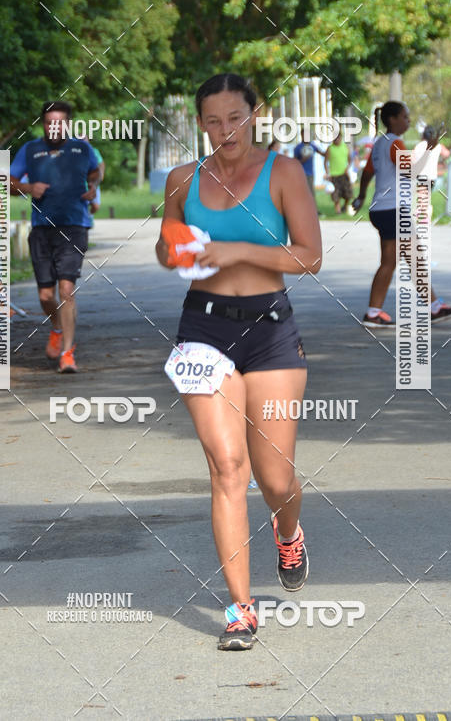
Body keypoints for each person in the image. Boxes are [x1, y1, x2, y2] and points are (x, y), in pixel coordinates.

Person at [156, 73, 322, 651]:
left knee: (275, 475)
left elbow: (310, 257)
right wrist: (177, 246)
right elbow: (165, 245)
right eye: (212, 120)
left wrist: (237, 249)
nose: (225, 131)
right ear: (200, 123)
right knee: (228, 467)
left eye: (235, 118)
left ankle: (289, 529)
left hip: (271, 332)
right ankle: (241, 612)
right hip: (202, 330)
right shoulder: (183, 179)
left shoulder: (283, 173)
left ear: (256, 115)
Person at [10, 101, 101, 372]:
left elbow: (95, 172)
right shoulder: (30, 150)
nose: (54, 127)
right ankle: (57, 327)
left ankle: (68, 354)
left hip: (74, 225)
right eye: (49, 122)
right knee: (46, 294)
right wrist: (27, 186)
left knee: (66, 291)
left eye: (59, 122)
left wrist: (93, 187)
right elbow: (9, 181)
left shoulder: (81, 148)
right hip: (41, 228)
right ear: (43, 124)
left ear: (68, 124)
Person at [352, 101, 451, 327]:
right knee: (414, 258)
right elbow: (411, 172)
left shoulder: (380, 143)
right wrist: (430, 149)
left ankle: (374, 312)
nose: (408, 121)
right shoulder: (395, 143)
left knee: (391, 262)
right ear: (392, 119)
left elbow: (367, 172)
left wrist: (362, 196)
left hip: (381, 209)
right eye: (405, 117)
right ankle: (434, 308)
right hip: (392, 210)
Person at [324, 129, 353, 214]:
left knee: (348, 194)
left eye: (338, 138)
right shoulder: (330, 148)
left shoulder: (345, 147)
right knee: (335, 195)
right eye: (334, 138)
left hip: (343, 174)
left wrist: (347, 168)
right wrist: (327, 173)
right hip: (333, 175)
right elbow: (325, 162)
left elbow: (350, 159)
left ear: (341, 138)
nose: (336, 140)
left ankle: (345, 206)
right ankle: (338, 211)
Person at [293, 131, 325, 200]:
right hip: (301, 173)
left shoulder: (312, 146)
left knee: (311, 192)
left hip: (310, 173)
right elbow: (294, 162)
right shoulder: (298, 147)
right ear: (301, 135)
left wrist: (328, 151)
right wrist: (303, 160)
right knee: (302, 192)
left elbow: (322, 153)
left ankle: (313, 209)